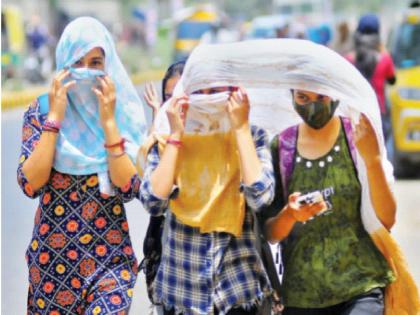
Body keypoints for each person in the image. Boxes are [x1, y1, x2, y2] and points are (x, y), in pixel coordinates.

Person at [17, 17, 147, 314]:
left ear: (108, 64)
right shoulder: (41, 109)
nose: (87, 72)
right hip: (53, 266)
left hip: (110, 260)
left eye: (96, 62)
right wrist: (55, 120)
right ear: (63, 62)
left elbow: (130, 188)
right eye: (78, 62)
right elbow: (30, 183)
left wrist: (109, 123)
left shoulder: (120, 110)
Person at [139, 77, 276, 314]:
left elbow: (261, 197)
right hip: (183, 290)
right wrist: (176, 136)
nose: (207, 99)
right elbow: (153, 202)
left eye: (215, 91)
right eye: (199, 92)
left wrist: (241, 129)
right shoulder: (166, 140)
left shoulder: (252, 137)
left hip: (236, 287)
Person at [265, 89, 396, 315]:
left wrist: (373, 161)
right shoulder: (281, 147)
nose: (313, 106)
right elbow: (270, 233)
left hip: (361, 284)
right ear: (292, 96)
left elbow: (387, 219)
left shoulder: (357, 138)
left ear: (335, 94)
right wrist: (290, 215)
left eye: (321, 97)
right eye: (303, 98)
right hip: (303, 294)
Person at [140, 60, 186, 310]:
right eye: (169, 97)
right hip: (172, 264)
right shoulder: (161, 143)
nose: (175, 105)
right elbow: (153, 201)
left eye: (181, 95)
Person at [346, 14, 396, 143]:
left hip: (355, 118)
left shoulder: (348, 59)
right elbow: (392, 80)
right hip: (378, 115)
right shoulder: (385, 58)